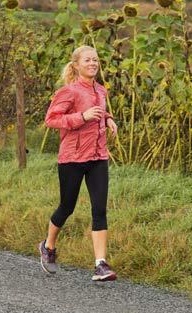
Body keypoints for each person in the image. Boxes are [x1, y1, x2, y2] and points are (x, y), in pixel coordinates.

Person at [38, 45, 118, 282]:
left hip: (98, 157)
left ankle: (100, 265)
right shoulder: (68, 91)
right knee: (67, 207)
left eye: (95, 60)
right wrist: (81, 118)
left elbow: (99, 109)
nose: (93, 63)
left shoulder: (101, 90)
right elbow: (51, 120)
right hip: (72, 158)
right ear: (76, 65)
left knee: (99, 209)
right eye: (87, 60)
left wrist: (109, 119)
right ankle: (48, 246)